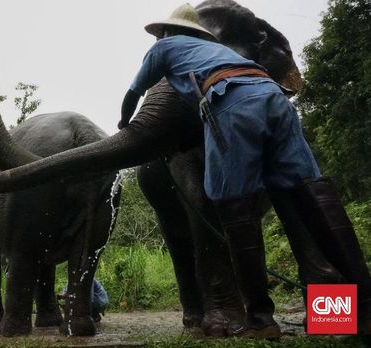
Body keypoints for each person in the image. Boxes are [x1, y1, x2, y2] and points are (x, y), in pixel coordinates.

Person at [119, 3, 371, 337]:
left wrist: (126, 124)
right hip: (273, 98)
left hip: (231, 106)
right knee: (313, 200)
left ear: (166, 31)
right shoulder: (223, 53)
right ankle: (357, 313)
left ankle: (260, 320)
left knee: (235, 212)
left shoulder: (165, 48)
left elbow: (132, 95)